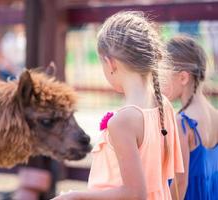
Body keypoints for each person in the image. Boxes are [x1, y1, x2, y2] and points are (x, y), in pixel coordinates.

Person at [52, 11, 183, 200]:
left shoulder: (123, 121)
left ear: (110, 63)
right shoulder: (164, 105)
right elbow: (175, 177)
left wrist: (75, 197)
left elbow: (135, 193)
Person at [165, 35, 218, 200]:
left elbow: (180, 183)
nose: (159, 82)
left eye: (163, 75)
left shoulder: (182, 123)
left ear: (183, 77)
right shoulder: (215, 115)